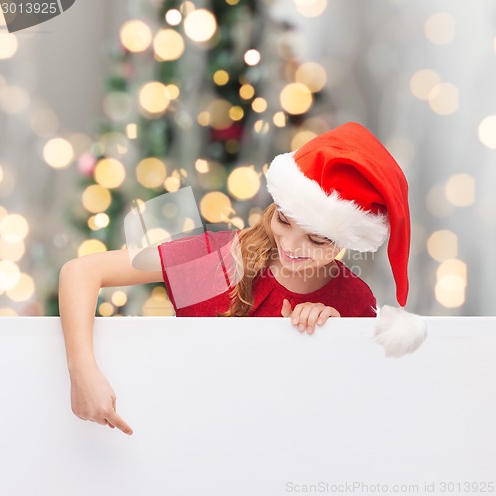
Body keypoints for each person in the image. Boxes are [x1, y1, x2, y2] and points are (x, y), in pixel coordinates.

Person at [59, 122, 427, 436]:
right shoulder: (219, 262)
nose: (291, 245)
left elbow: (357, 409)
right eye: (283, 220)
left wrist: (332, 339)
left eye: (316, 239)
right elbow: (81, 272)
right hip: (191, 436)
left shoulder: (351, 299)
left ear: (344, 243)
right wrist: (83, 372)